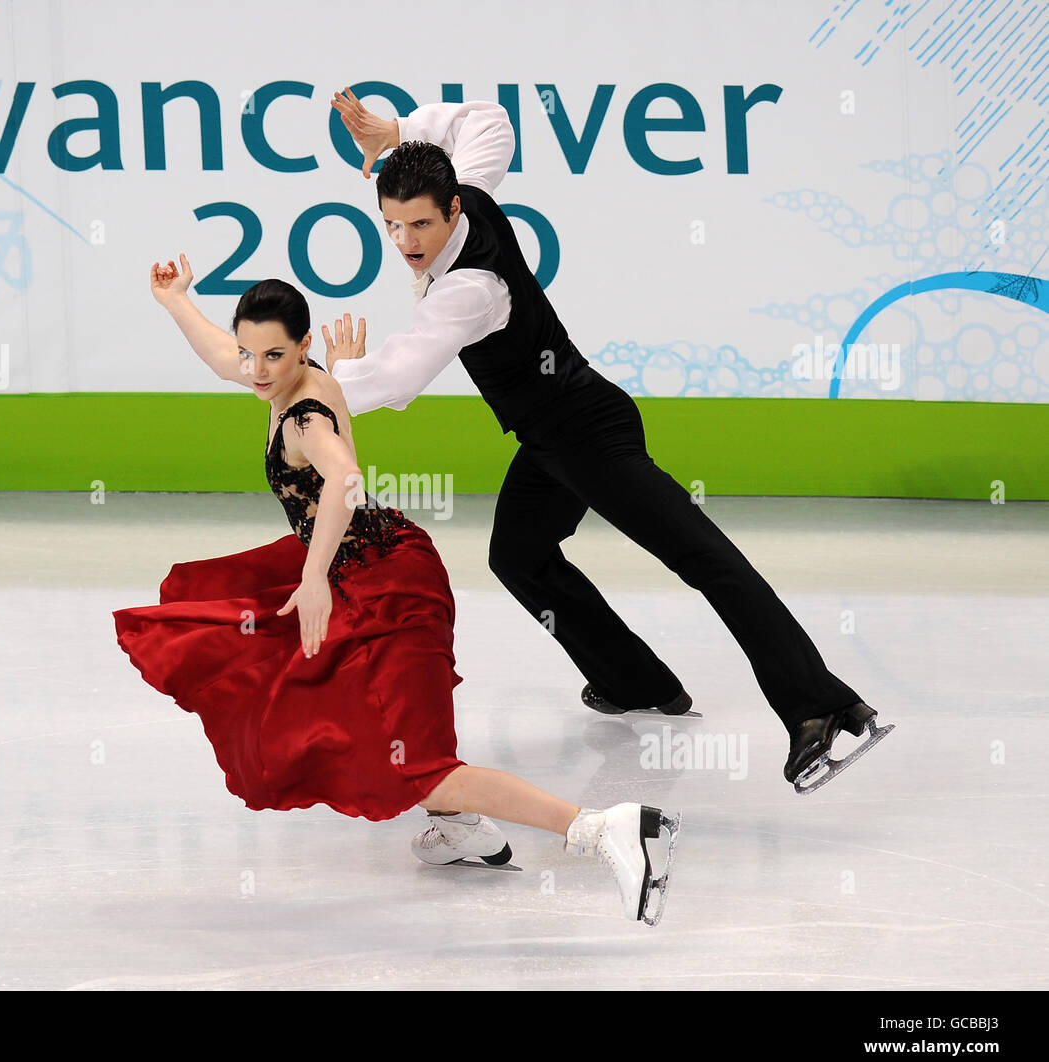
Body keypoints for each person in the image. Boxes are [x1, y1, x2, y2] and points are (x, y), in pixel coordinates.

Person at [323, 88, 891, 793]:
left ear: (454, 211)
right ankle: (638, 680)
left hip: (587, 432)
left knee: (704, 558)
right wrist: (399, 130)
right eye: (392, 225)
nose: (406, 243)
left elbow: (398, 377)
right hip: (550, 438)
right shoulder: (467, 189)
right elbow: (486, 120)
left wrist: (324, 382)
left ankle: (823, 706)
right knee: (519, 555)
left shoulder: (468, 288)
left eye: (419, 225)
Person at [110, 263, 683, 924]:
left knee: (427, 764)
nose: (257, 368)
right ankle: (459, 828)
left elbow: (347, 478)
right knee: (345, 705)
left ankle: (608, 827)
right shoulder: (296, 377)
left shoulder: (302, 417)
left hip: (390, 585)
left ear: (302, 345)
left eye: (273, 354)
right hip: (374, 568)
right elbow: (220, 355)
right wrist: (175, 300)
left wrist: (314, 572)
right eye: (252, 353)